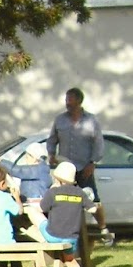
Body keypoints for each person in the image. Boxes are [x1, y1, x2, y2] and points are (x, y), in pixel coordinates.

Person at [46, 88, 113, 246]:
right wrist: (51, 154)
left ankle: (104, 230)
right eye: (66, 100)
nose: (67, 103)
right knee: (59, 198)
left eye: (70, 100)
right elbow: (52, 139)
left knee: (93, 200)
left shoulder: (91, 121)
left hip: (84, 167)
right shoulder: (60, 120)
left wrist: (92, 163)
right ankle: (57, 230)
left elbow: (98, 143)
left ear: (79, 101)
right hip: (65, 169)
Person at [40, 163, 94, 267]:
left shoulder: (53, 192)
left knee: (33, 214)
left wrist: (51, 190)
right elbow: (93, 208)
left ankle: (42, 245)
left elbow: (42, 208)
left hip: (53, 235)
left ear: (57, 179)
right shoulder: (80, 193)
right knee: (69, 260)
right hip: (71, 238)